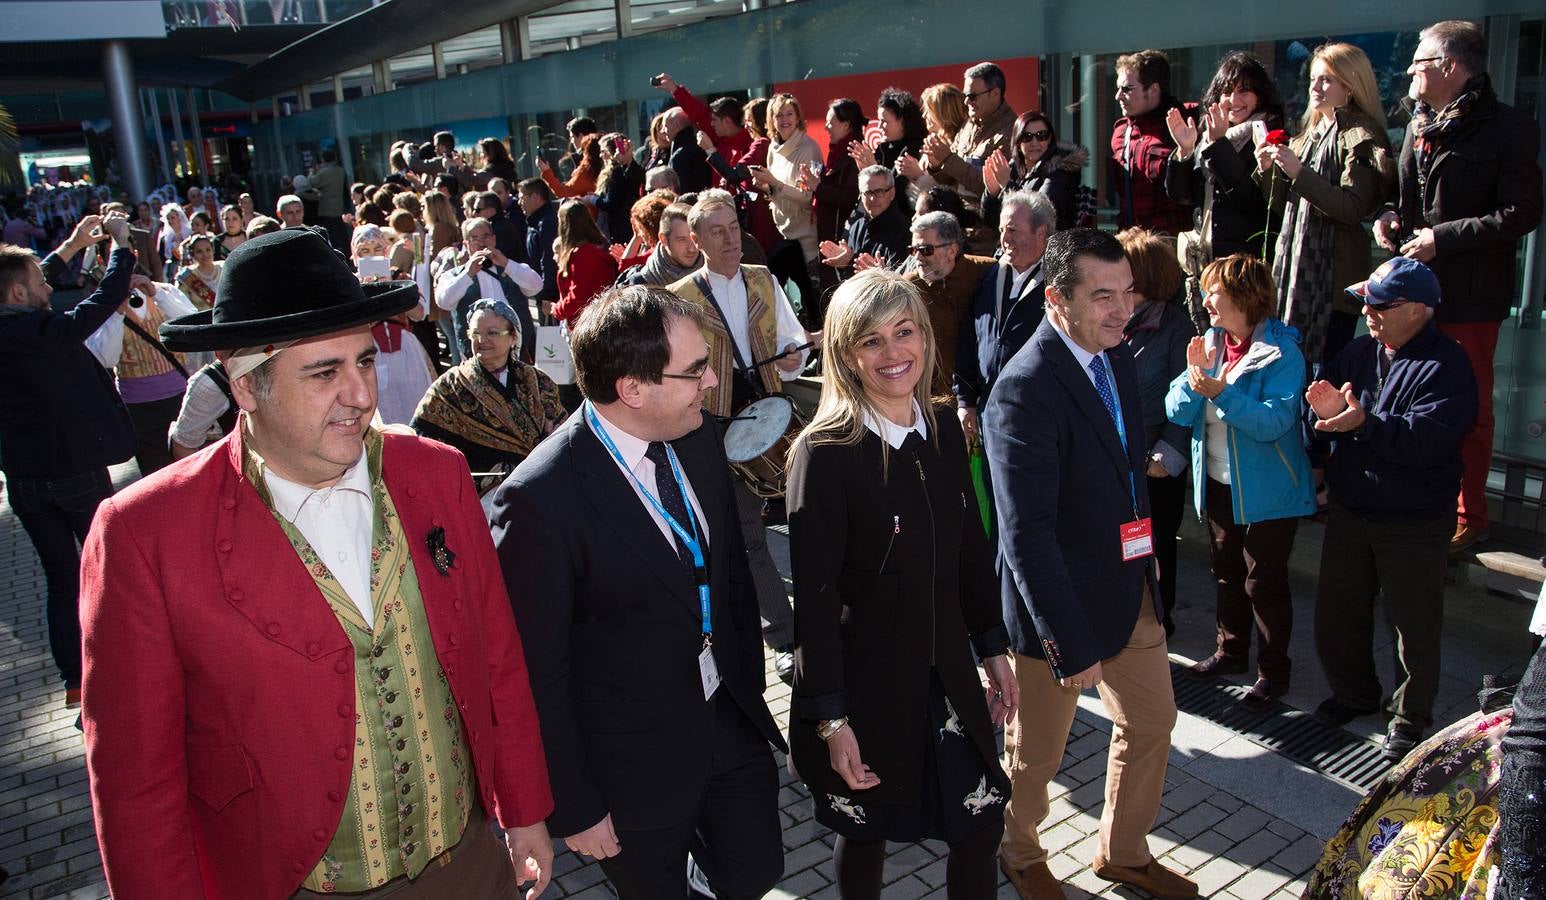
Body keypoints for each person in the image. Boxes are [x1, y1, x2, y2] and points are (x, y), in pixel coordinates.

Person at [83, 227, 557, 899]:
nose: (362, 395)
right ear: (245, 385)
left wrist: (525, 807)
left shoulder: (437, 474)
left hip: (470, 865)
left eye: (363, 362)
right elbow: (138, 784)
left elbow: (497, 657)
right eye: (324, 372)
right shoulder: (144, 535)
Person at [486, 286, 786, 899]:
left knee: (758, 871)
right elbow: (535, 675)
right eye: (696, 370)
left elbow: (728, 576)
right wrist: (575, 805)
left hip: (726, 721)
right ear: (632, 389)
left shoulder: (697, 437)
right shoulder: (540, 501)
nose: (709, 384)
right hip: (628, 773)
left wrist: (746, 688)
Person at [786, 268, 1017, 897]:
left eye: (904, 332)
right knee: (864, 833)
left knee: (979, 824)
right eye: (871, 341)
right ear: (846, 355)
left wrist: (993, 647)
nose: (894, 354)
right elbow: (815, 602)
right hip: (868, 688)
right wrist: (831, 722)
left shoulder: (943, 426)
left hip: (947, 675)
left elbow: (971, 549)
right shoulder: (825, 453)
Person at [986, 228, 1193, 900]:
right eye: (1102, 296)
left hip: (1129, 588)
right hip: (1056, 611)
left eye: (1128, 292)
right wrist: (1066, 642)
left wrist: (1149, 558)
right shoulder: (1023, 391)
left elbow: (1128, 472)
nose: (1121, 309)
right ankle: (1017, 852)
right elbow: (1027, 536)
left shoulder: (1119, 357)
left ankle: (1123, 852)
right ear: (1055, 299)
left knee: (1154, 721)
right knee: (1037, 756)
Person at [1374, 20, 1544, 553]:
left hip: (1470, 293)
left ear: (1450, 67)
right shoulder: (1418, 121)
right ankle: (1412, 494)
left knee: (1467, 406)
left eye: (1418, 64)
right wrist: (1388, 218)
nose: (1410, 74)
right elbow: (1403, 199)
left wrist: (1440, 240)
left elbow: (1522, 213)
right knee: (1402, 393)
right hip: (1413, 287)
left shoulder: (1509, 128)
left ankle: (1470, 512)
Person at [1305, 256, 1477, 760]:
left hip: (1414, 519)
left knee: (1413, 625)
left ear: (1421, 310)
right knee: (1339, 613)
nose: (1370, 313)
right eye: (1367, 303)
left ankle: (1409, 717)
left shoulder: (1449, 364)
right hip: (1353, 508)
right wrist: (1321, 419)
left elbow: (1428, 441)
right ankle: (1354, 694)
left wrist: (1360, 423)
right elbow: (1320, 402)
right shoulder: (1359, 352)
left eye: (1383, 305)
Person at [1164, 254, 1314, 710]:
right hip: (1217, 483)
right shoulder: (1209, 342)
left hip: (1271, 494)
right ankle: (1229, 653)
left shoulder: (1283, 353)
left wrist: (1221, 392)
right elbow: (1175, 409)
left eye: (1216, 292)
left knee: (1262, 583)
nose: (1206, 300)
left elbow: (1274, 423)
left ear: (1246, 298)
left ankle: (1273, 673)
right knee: (1227, 574)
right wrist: (1193, 382)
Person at [0, 213, 136, 710]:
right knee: (105, 565)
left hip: (25, 478)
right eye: (40, 283)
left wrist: (75, 244)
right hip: (76, 471)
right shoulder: (41, 331)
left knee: (60, 576)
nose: (46, 287)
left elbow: (22, 279)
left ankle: (75, 681)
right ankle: (123, 666)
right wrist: (120, 247)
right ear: (19, 294)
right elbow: (100, 303)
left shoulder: (16, 322)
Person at [1257, 42, 1395, 367]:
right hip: (1292, 275)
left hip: (1332, 283)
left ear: (1351, 84)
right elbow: (1284, 208)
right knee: (1288, 373)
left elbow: (1351, 208)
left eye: (1326, 80)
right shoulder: (1310, 132)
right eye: (1313, 79)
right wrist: (1265, 171)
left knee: (1323, 378)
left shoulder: (1362, 134)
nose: (1315, 87)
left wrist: (1298, 173)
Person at [1116, 228, 1193, 635]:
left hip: (1154, 463)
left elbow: (1186, 398)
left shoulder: (1176, 329)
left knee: (1156, 540)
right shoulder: (1115, 321)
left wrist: (1167, 454)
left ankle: (1160, 620)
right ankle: (1127, 613)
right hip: (1119, 457)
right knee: (1125, 539)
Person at [412, 298, 566, 491]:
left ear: (513, 338)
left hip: (541, 486)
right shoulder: (449, 387)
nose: (481, 340)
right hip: (481, 497)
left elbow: (560, 432)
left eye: (492, 333)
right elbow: (423, 441)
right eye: (475, 333)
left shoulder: (538, 380)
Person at [1165, 51, 1286, 268]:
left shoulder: (1270, 136)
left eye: (1244, 91)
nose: (1233, 100)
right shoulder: (1207, 137)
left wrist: (1220, 144)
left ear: (1260, 96)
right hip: (1206, 259)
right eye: (1227, 92)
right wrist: (1185, 151)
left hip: (1246, 265)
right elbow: (1182, 197)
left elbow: (1252, 201)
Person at [955, 190, 1054, 448]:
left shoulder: (1059, 285)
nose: (1004, 239)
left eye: (1013, 230)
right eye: (1001, 230)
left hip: (1036, 420)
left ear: (1041, 232)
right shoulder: (990, 278)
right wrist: (965, 401)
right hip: (989, 415)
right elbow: (969, 339)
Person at [352, 224, 433, 426]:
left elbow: (420, 313)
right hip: (370, 352)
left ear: (385, 251)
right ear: (355, 254)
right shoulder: (351, 284)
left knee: (414, 398)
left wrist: (394, 290)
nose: (371, 255)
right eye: (365, 251)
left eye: (377, 249)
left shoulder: (399, 278)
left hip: (405, 348)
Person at [903, 211, 992, 392]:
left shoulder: (988, 272)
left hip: (984, 393)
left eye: (925, 250)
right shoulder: (908, 287)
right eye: (913, 250)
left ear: (952, 251)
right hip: (936, 400)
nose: (917, 258)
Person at [434, 216, 542, 364]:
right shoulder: (453, 275)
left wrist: (506, 263)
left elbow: (536, 286)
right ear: (466, 244)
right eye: (474, 238)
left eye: (485, 236)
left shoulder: (511, 267)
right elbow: (443, 302)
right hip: (477, 353)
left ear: (494, 239)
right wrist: (468, 274)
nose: (481, 242)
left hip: (516, 349)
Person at [923, 62, 1018, 229]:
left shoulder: (1010, 134)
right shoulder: (968, 125)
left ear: (995, 94)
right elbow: (952, 179)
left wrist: (948, 158)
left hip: (984, 232)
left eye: (973, 96)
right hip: (958, 227)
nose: (967, 102)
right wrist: (937, 163)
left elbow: (989, 187)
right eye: (965, 95)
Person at [1110, 50, 1193, 235]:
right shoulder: (1121, 131)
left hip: (1170, 244)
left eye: (1127, 89)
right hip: (1131, 241)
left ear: (1154, 89)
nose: (1118, 96)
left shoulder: (1186, 122)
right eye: (1118, 88)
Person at [750, 93, 822, 278]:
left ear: (798, 117)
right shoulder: (773, 148)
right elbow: (778, 192)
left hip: (806, 239)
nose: (784, 120)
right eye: (778, 115)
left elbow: (807, 197)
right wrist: (766, 187)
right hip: (783, 233)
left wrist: (774, 182)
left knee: (811, 298)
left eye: (789, 114)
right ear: (771, 120)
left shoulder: (809, 149)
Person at [983, 110, 1088, 231]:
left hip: (1049, 246)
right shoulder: (1011, 170)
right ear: (1017, 142)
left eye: (1041, 135)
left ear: (1050, 139)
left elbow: (1041, 215)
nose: (1035, 143)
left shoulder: (1061, 170)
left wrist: (1008, 186)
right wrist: (992, 195)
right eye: (1027, 137)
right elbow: (991, 223)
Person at [818, 165, 911, 280]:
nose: (873, 199)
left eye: (879, 192)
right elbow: (846, 281)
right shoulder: (857, 226)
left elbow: (900, 283)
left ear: (892, 193)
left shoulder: (905, 231)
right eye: (868, 193)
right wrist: (843, 264)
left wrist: (851, 262)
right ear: (861, 195)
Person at [552, 198, 619, 329]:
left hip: (587, 323)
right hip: (600, 317)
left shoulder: (582, 254)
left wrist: (557, 309)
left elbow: (577, 297)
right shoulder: (600, 245)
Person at [624, 199, 702, 287]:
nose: (691, 249)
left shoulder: (716, 272)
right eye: (682, 240)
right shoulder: (642, 284)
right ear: (663, 239)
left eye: (695, 238)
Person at [518, 177, 561, 320]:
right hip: (541, 289)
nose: (520, 203)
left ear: (535, 197)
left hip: (551, 295)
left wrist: (547, 295)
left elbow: (548, 260)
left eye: (522, 198)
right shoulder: (535, 222)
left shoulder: (547, 222)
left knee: (553, 340)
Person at [594, 133, 645, 244]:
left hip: (623, 228)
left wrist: (592, 200)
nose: (600, 155)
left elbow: (611, 203)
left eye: (603, 151)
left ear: (610, 151)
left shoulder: (617, 171)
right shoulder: (620, 170)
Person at [660, 107, 711, 195]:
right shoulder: (702, 147)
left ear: (676, 125)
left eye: (665, 126)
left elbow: (680, 190)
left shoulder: (679, 156)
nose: (662, 131)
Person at [538, 133, 602, 199]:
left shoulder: (587, 172)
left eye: (584, 150)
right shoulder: (607, 168)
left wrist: (546, 171)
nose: (582, 154)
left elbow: (562, 192)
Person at [311, 146, 350, 252]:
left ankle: (336, 252)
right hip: (338, 205)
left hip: (327, 207)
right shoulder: (340, 170)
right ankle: (345, 250)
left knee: (331, 233)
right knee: (340, 232)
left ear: (323, 159)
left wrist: (313, 172)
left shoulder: (324, 172)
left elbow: (312, 182)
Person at [175, 234, 221, 310]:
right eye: (199, 251)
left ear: (213, 250)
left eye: (208, 250)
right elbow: (183, 305)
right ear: (193, 254)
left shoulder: (224, 268)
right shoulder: (187, 276)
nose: (205, 254)